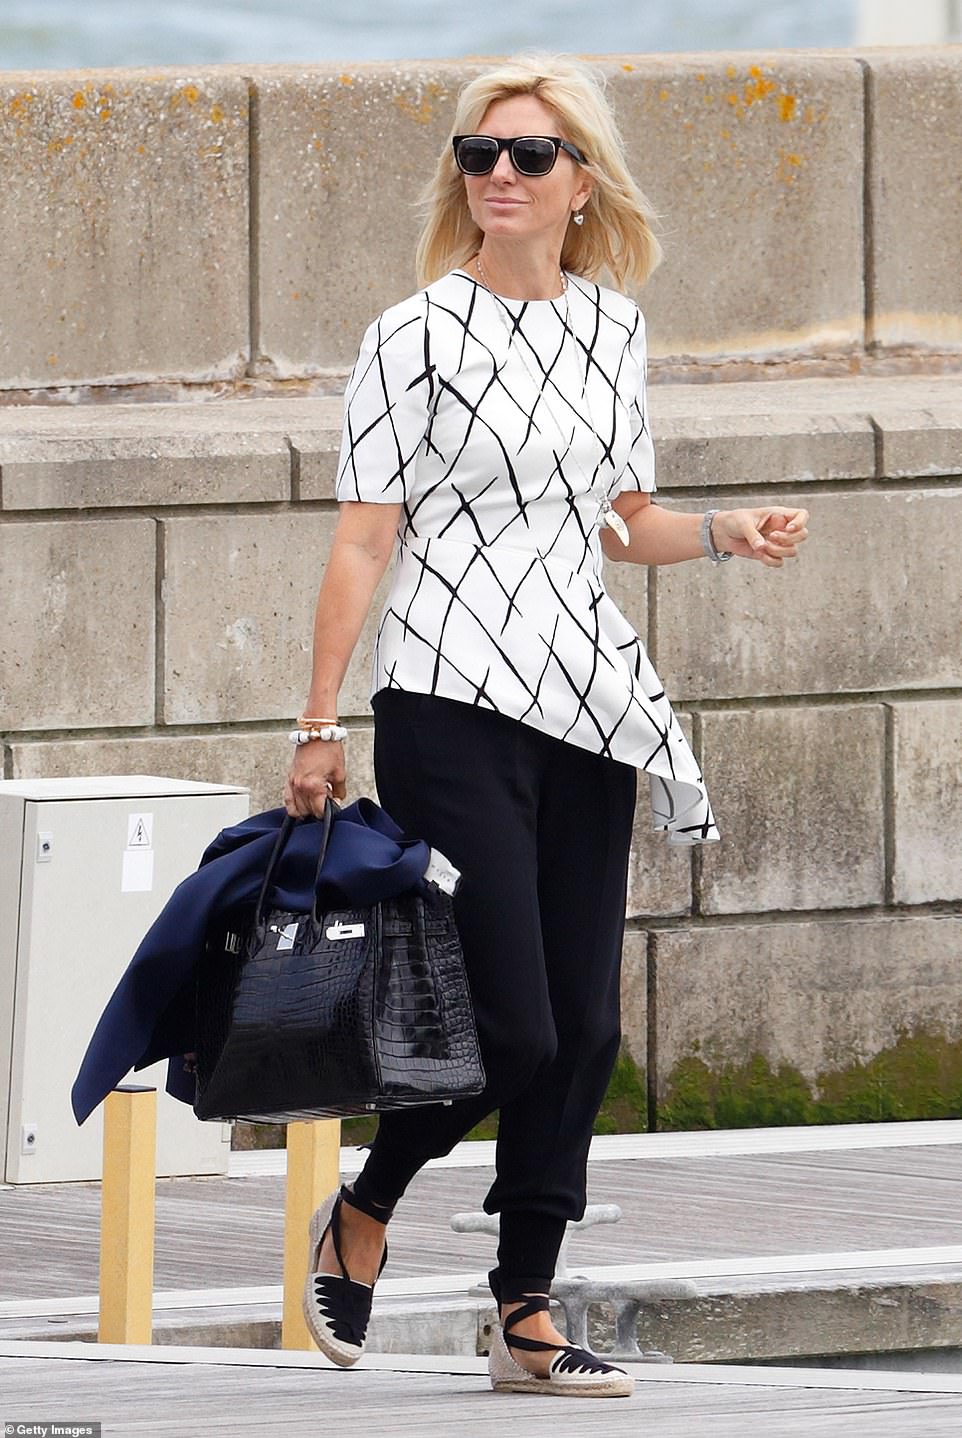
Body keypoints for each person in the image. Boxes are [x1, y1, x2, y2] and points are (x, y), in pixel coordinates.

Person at [284, 52, 809, 1398]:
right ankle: (366, 1203)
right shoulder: (412, 334)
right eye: (477, 155)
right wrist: (316, 720)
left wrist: (720, 534)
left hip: (581, 701)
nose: (498, 177)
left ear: (581, 183)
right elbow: (363, 538)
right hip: (449, 698)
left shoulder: (610, 329)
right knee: (509, 1025)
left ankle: (524, 1307)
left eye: (526, 157)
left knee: (584, 1027)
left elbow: (619, 517)